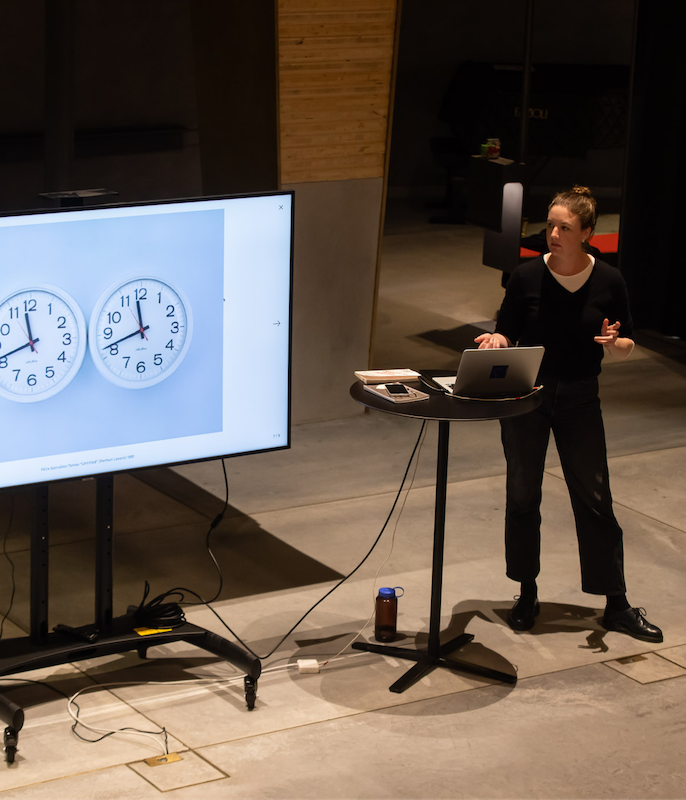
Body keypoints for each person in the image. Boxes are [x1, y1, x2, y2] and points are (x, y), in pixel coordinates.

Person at [475, 185, 662, 643]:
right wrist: (498, 341)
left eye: (564, 228)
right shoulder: (524, 277)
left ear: (587, 233)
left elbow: (626, 344)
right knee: (522, 494)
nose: (553, 234)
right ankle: (526, 591)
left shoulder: (609, 280)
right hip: (529, 396)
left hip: (580, 397)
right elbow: (505, 333)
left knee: (595, 497)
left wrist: (614, 344)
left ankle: (616, 602)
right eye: (550, 225)